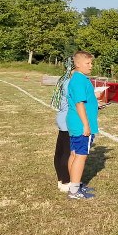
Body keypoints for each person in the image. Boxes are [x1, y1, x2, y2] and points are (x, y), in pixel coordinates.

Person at [66, 50, 99, 200]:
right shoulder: (79, 80)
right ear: (78, 64)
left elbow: (84, 102)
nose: (91, 66)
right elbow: (79, 104)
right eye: (88, 63)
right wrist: (86, 125)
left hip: (75, 123)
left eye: (91, 63)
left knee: (74, 154)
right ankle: (74, 191)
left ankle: (75, 184)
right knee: (80, 156)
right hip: (81, 124)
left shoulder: (78, 78)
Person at [52, 59, 73, 193]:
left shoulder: (63, 79)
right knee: (67, 152)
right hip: (67, 119)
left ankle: (60, 179)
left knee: (60, 150)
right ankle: (65, 180)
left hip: (62, 118)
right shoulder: (70, 82)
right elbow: (76, 101)